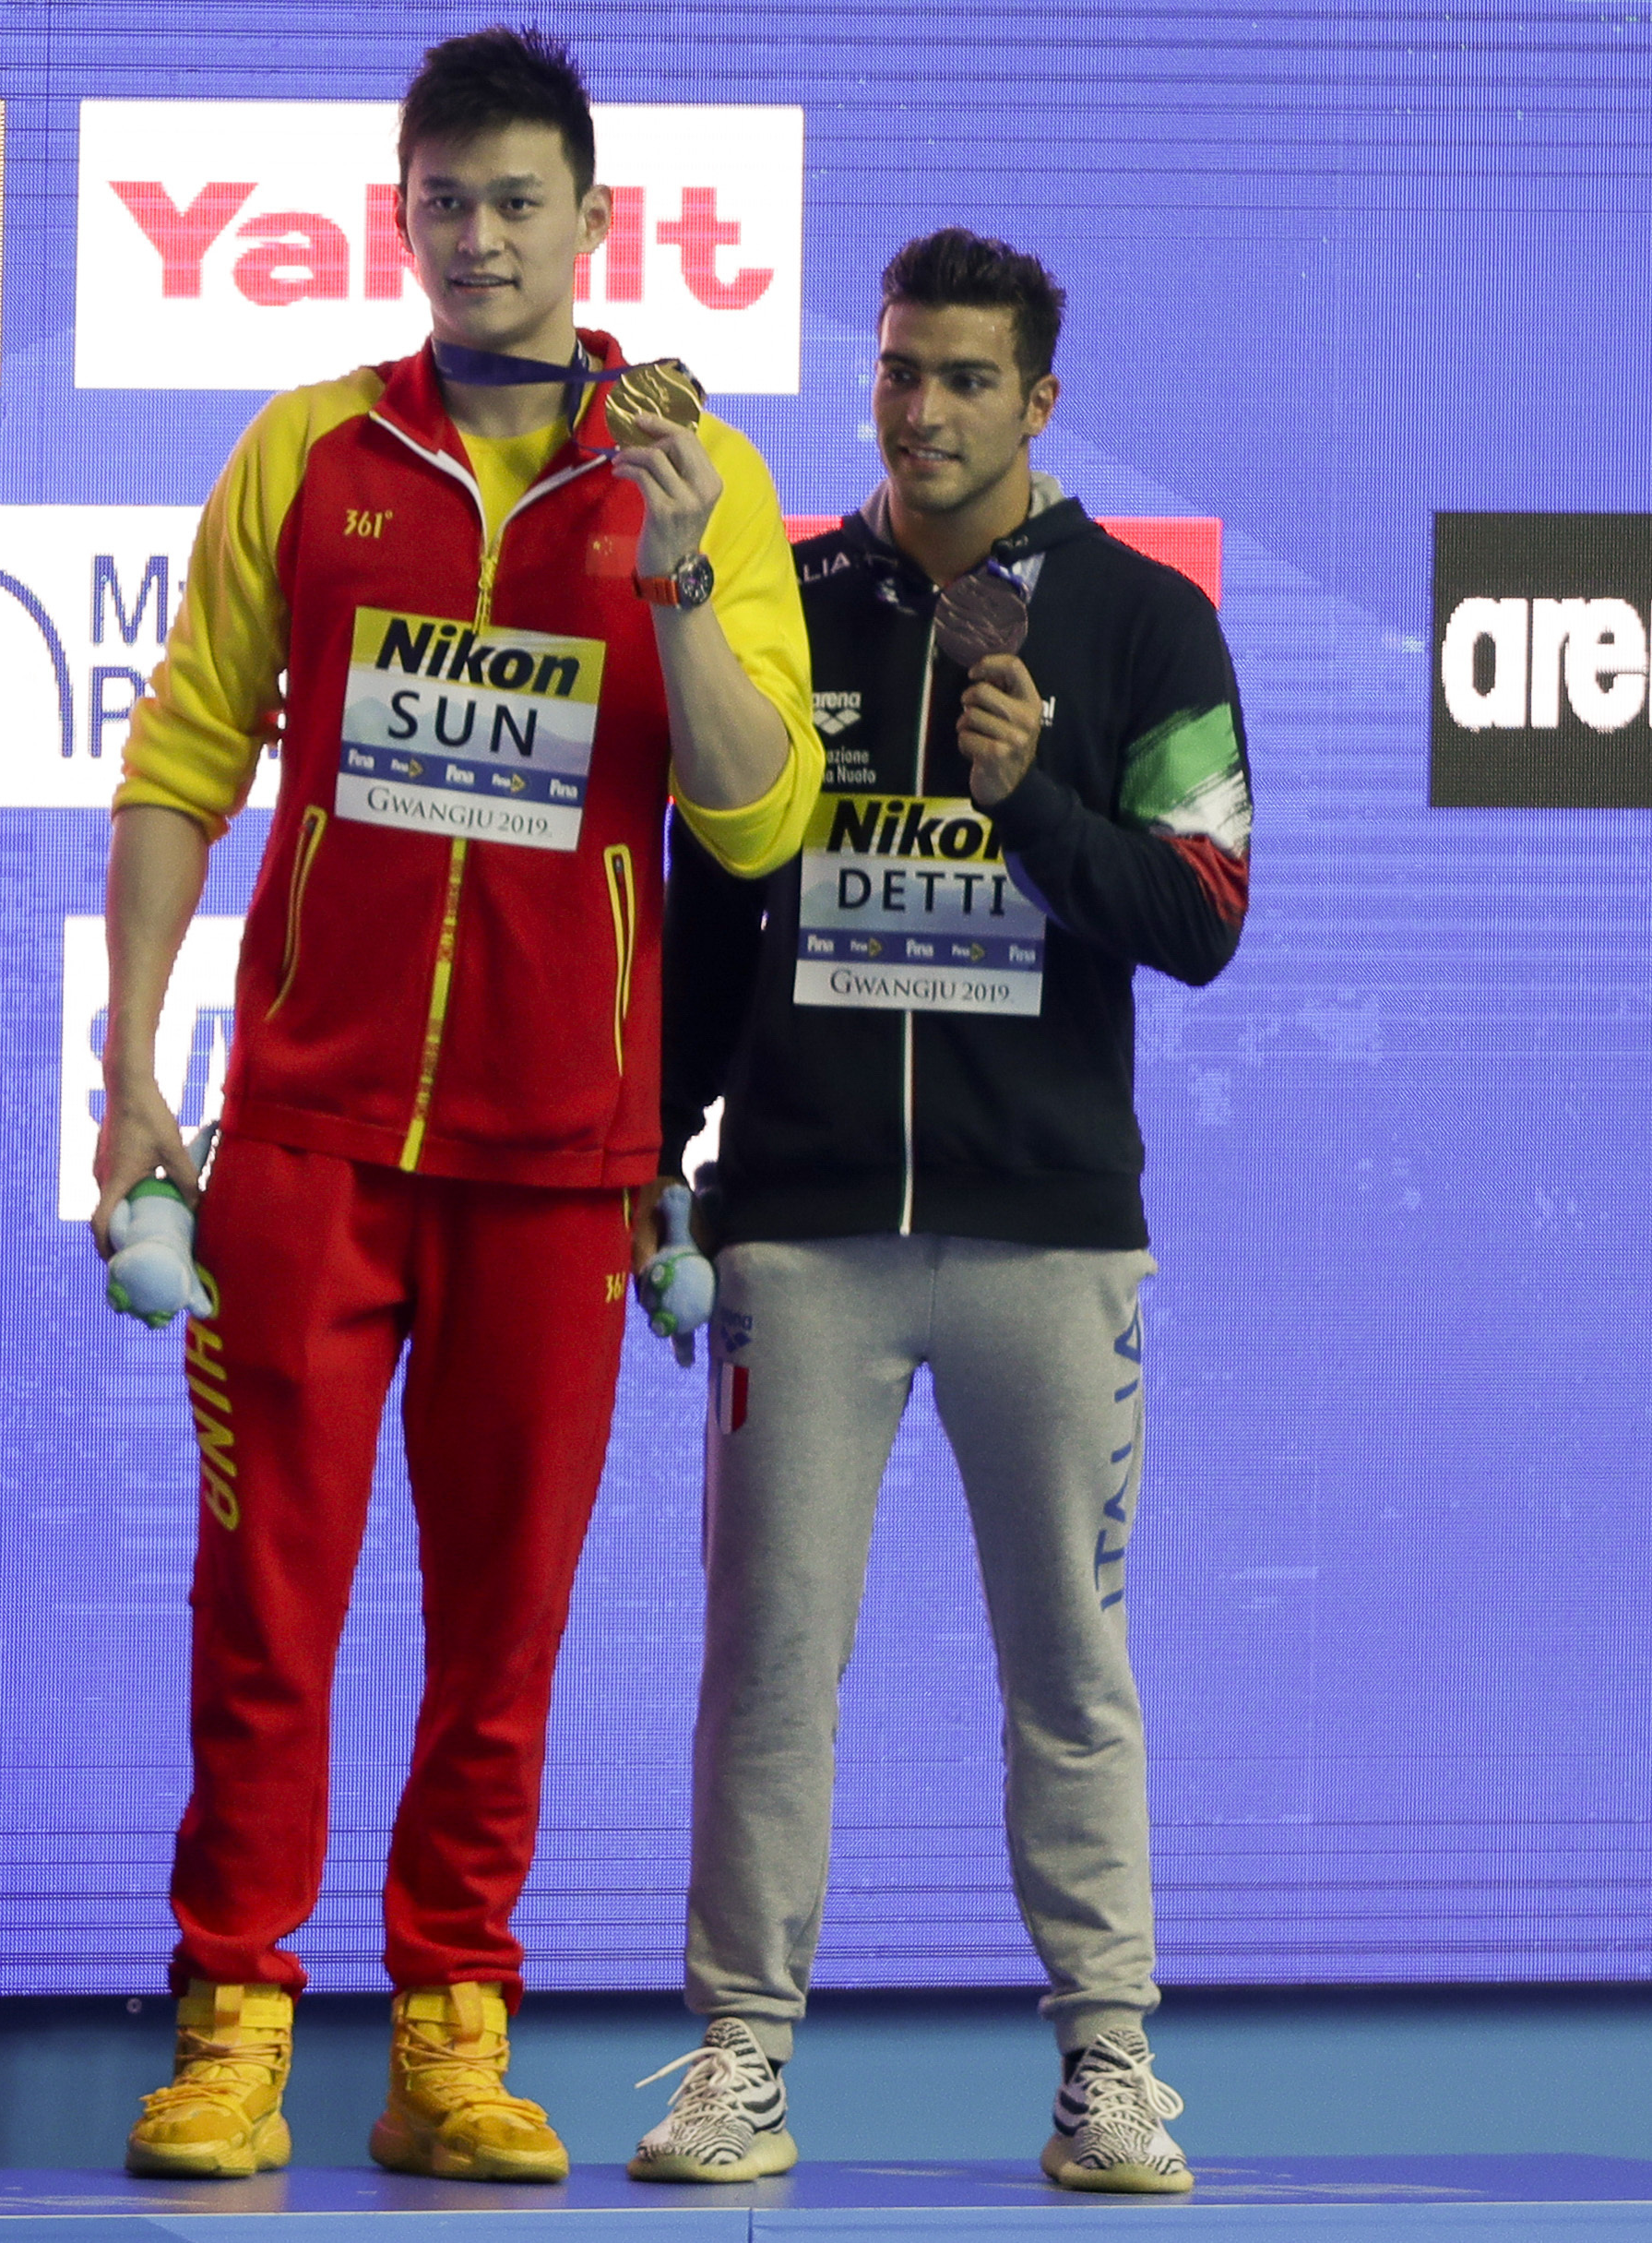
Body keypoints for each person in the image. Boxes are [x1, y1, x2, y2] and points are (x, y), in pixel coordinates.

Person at [94, 25, 822, 2186]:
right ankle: (231, 2021)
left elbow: (757, 819)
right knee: (267, 1605)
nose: (478, 237)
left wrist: (679, 572)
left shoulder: (698, 477)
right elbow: (180, 766)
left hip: (560, 1161)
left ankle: (448, 2036)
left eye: (518, 202)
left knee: (502, 1620)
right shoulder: (309, 451)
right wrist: (130, 1062)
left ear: (595, 224)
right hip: (305, 1144)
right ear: (396, 217)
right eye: (443, 202)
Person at [628, 228, 1252, 2196]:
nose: (923, 407)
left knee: (1067, 1661)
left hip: (1050, 1237)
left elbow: (1206, 914)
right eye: (901, 371)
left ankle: (1106, 2065)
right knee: (768, 1653)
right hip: (800, 1232)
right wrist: (656, 1146)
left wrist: (1038, 800)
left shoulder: (1146, 624)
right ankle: (738, 2054)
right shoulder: (785, 599)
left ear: (1040, 398)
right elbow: (711, 900)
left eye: (966, 377)